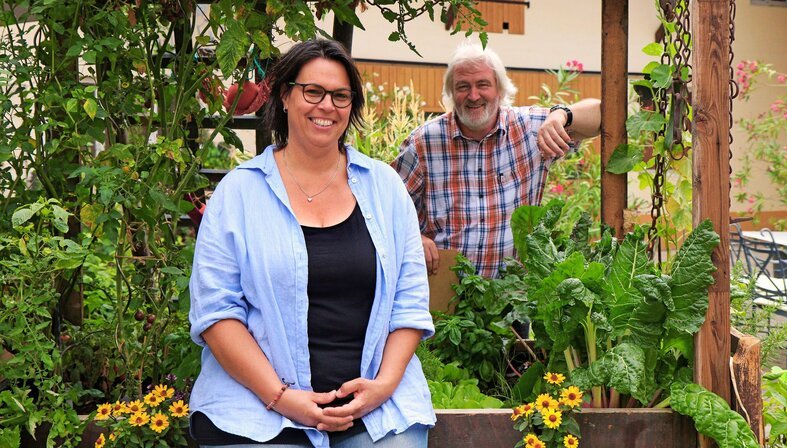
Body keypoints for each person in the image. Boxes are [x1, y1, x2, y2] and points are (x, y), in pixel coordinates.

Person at [188, 39, 434, 448]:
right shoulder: (238, 194)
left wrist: (385, 385)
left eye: (340, 96)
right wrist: (283, 398)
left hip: (373, 405)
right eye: (313, 92)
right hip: (258, 408)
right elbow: (216, 314)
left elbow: (409, 304)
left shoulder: (386, 189)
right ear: (285, 96)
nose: (327, 106)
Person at [392, 42, 602, 279]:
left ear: (500, 90)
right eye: (463, 87)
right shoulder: (424, 143)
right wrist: (414, 237)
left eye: (483, 84)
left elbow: (601, 115)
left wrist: (562, 115)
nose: (473, 96)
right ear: (451, 93)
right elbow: (386, 206)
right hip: (445, 292)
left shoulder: (531, 129)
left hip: (513, 297)